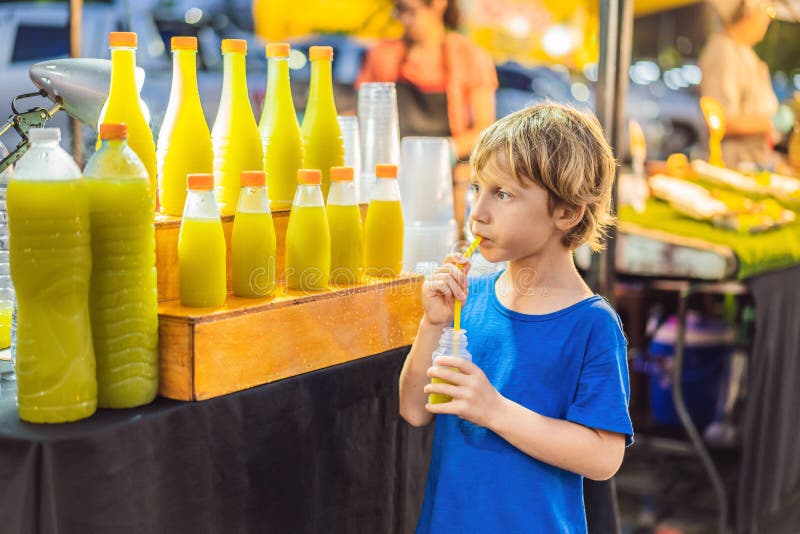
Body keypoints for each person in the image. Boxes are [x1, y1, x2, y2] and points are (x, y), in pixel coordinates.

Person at [399, 103, 634, 532]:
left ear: (565, 212)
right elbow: (415, 409)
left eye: (502, 194)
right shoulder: (469, 300)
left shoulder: (592, 326)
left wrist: (494, 410)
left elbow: (604, 457)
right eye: (476, 189)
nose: (477, 213)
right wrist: (431, 324)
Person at [356, 0, 498, 228]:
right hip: (390, 182)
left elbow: (485, 128)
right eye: (397, 9)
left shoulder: (470, 56)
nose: (400, 18)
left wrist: (441, 153)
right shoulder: (382, 55)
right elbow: (363, 116)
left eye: (408, 10)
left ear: (438, 4)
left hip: (446, 185)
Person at [699, 0, 779, 168]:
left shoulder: (745, 53)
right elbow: (719, 122)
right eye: (767, 11)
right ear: (750, 12)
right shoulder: (722, 51)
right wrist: (770, 122)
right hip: (730, 166)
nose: (768, 19)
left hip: (753, 164)